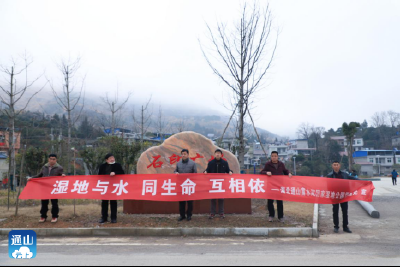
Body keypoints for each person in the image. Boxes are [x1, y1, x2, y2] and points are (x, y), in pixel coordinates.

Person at [28, 154, 66, 223]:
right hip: (44, 188)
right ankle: (43, 216)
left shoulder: (59, 168)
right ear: (48, 159)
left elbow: (62, 175)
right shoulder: (44, 167)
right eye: (51, 159)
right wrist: (32, 178)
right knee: (44, 203)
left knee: (54, 203)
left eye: (54, 159)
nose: (52, 160)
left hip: (54, 188)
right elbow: (39, 175)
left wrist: (63, 176)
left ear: (56, 160)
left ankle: (54, 216)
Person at [327, 161, 360, 234]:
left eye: (337, 165)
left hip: (344, 196)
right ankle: (336, 226)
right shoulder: (329, 175)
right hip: (335, 196)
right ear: (332, 166)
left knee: (345, 212)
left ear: (340, 166)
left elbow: (353, 178)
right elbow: (327, 186)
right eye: (334, 165)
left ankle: (345, 226)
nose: (336, 166)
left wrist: (363, 182)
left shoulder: (345, 174)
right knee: (335, 212)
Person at [260, 151, 293, 223]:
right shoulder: (268, 164)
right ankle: (271, 216)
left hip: (279, 186)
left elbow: (285, 171)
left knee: (279, 202)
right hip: (270, 186)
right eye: (272, 156)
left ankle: (280, 217)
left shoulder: (281, 164)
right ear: (271, 157)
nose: (274, 157)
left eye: (275, 156)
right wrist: (266, 172)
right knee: (270, 202)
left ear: (277, 157)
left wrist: (289, 173)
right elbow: (261, 172)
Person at [204, 149, 233, 220]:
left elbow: (228, 170)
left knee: (221, 199)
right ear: (214, 154)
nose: (217, 154)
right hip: (213, 184)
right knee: (212, 199)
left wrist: (230, 172)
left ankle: (221, 213)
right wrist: (205, 171)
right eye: (216, 153)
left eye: (219, 153)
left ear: (221, 155)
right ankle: (212, 213)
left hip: (221, 184)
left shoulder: (224, 163)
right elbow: (207, 170)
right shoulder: (211, 163)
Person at [98, 154, 125, 224]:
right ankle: (104, 217)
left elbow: (122, 173)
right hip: (105, 186)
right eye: (110, 158)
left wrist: (115, 173)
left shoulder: (117, 165)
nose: (112, 159)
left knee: (113, 203)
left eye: (113, 157)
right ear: (106, 160)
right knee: (104, 203)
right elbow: (99, 175)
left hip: (114, 186)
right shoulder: (102, 166)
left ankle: (113, 218)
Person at [175, 149, 197, 222]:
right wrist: (176, 173)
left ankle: (189, 215)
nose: (183, 155)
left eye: (185, 154)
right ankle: (182, 215)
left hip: (189, 185)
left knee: (190, 202)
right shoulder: (178, 163)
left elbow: (195, 174)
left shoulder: (192, 163)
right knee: (181, 201)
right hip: (181, 185)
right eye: (182, 154)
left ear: (188, 155)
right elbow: (175, 171)